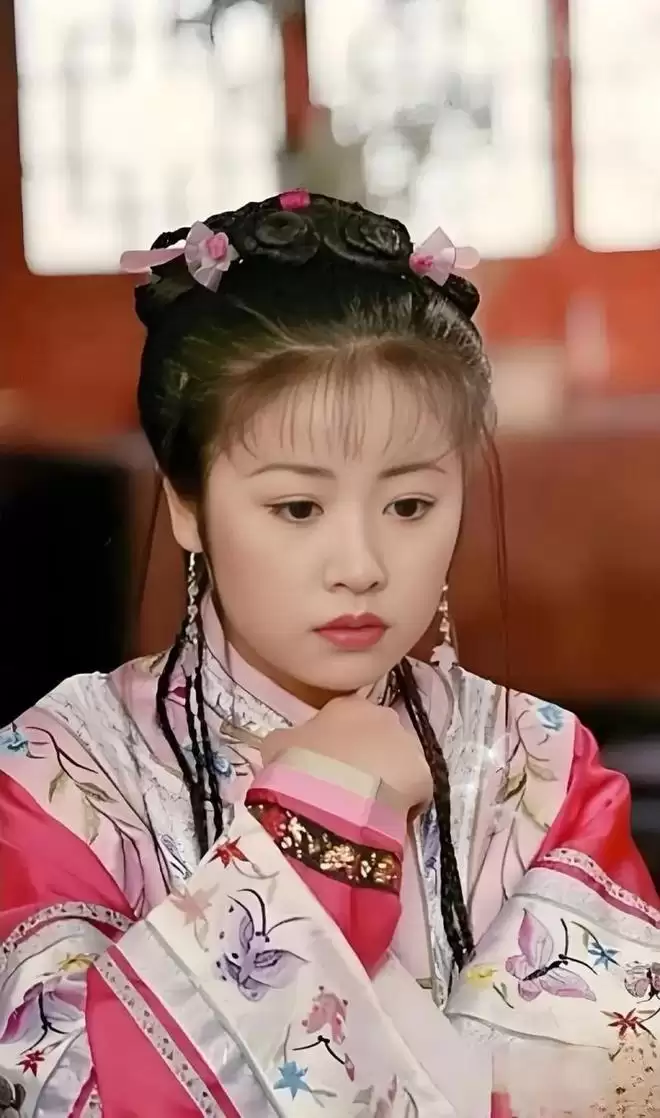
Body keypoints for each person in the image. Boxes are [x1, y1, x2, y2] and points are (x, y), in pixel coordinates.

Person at [0, 192, 657, 1118]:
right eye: (298, 507)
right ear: (187, 502)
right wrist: (321, 821)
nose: (361, 565)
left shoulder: (538, 766)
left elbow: (615, 1087)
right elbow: (71, 1096)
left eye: (410, 505)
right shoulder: (63, 773)